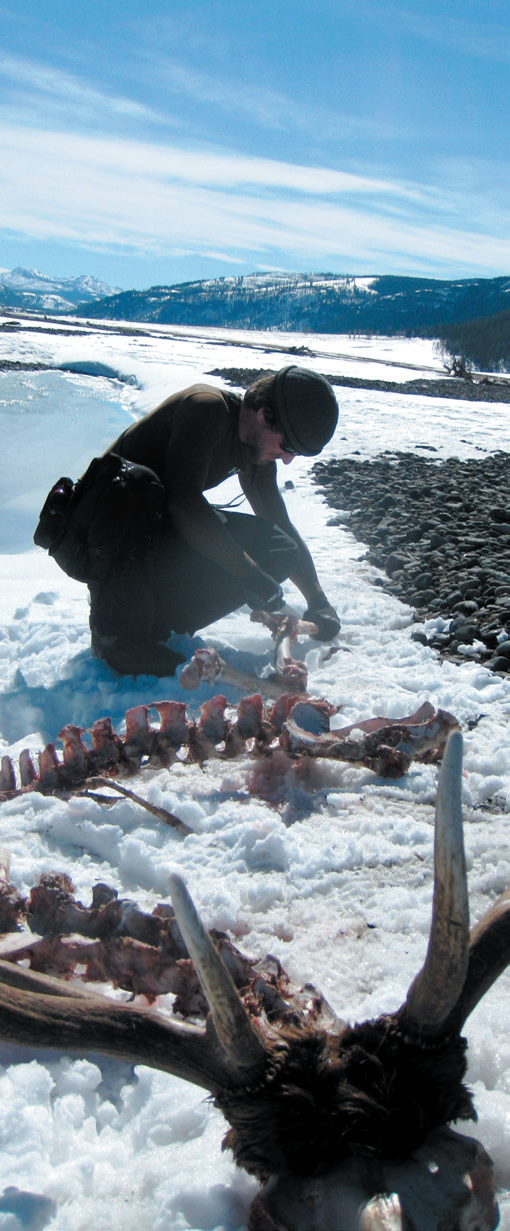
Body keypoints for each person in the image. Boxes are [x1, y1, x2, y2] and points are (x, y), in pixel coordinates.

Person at [88, 365, 341, 676]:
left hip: (154, 532)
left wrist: (318, 600)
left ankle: (159, 626)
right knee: (150, 499)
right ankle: (115, 636)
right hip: (105, 532)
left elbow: (278, 522)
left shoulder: (255, 448)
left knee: (279, 550)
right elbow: (184, 505)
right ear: (264, 415)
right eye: (287, 446)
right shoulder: (206, 411)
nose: (288, 459)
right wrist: (248, 573)